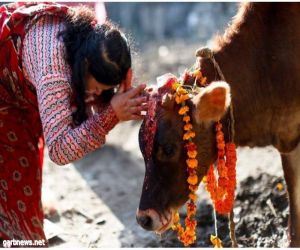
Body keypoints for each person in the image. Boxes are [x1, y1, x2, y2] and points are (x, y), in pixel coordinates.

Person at [0, 2, 147, 244]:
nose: (99, 93)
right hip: (6, 103)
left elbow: (88, 105)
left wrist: (120, 93)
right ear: (85, 66)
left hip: (18, 93)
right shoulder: (53, 71)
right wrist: (111, 115)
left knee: (22, 186)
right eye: (98, 87)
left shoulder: (90, 37)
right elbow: (59, 149)